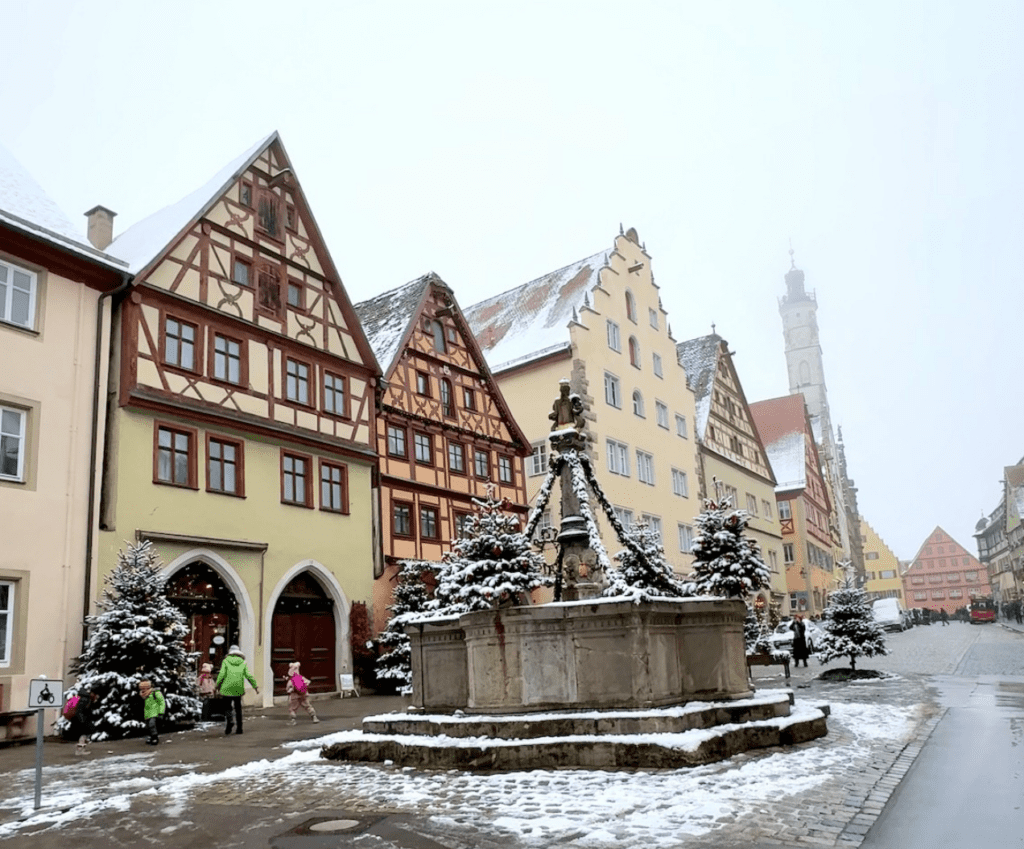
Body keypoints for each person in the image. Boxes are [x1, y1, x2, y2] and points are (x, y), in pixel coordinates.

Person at [216, 644, 258, 735]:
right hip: (238, 688)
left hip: (226, 687)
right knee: (238, 708)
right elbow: (248, 675)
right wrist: (255, 686)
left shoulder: (226, 661)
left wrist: (217, 685)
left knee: (227, 707)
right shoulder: (243, 663)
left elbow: (222, 674)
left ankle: (229, 722)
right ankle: (239, 728)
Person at [285, 661, 320, 726]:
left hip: (294, 697)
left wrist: (290, 690)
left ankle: (293, 720)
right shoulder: (301, 677)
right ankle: (314, 717)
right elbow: (308, 682)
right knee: (308, 706)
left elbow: (288, 688)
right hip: (303, 695)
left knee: (293, 708)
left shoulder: (291, 680)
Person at [138, 680, 165, 746]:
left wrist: (161, 711)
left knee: (152, 724)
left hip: (155, 712)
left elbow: (162, 702)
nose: (143, 689)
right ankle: (151, 737)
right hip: (147, 713)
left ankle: (155, 737)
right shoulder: (144, 694)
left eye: (144, 687)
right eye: (142, 688)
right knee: (148, 726)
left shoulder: (155, 693)